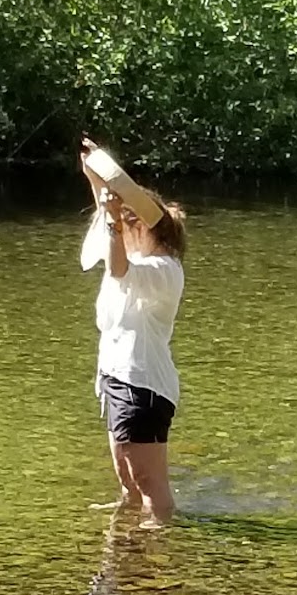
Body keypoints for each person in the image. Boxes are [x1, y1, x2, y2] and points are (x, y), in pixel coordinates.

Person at [80, 140, 186, 527]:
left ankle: (158, 535)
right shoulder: (135, 252)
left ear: (143, 228)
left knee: (149, 480)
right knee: (126, 473)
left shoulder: (164, 270)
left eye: (128, 221)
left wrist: (112, 218)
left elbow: (120, 267)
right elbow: (107, 221)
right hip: (116, 376)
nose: (120, 226)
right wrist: (95, 173)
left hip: (143, 385)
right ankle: (128, 514)